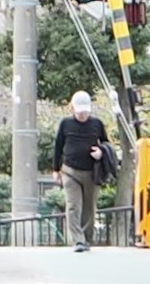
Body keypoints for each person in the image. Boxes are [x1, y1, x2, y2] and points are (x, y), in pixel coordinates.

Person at [48, 91, 115, 253]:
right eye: (79, 112)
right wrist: (56, 169)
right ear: (72, 109)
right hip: (70, 171)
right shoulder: (65, 124)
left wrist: (101, 152)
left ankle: (86, 238)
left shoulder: (97, 124)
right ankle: (78, 240)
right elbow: (58, 146)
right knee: (73, 205)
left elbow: (106, 143)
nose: (82, 115)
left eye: (85, 112)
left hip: (92, 171)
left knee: (89, 207)